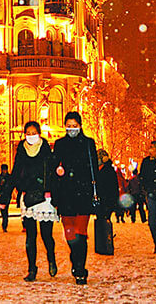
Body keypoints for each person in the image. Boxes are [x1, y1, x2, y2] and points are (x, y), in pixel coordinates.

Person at [2, 120, 58, 282]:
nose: (31, 136)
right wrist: (6, 196)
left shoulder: (46, 149)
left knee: (46, 235)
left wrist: (53, 193)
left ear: (39, 134)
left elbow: (53, 173)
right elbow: (15, 173)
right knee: (30, 236)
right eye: (28, 133)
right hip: (27, 197)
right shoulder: (21, 150)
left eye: (34, 133)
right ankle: (32, 269)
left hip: (44, 198)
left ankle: (51, 259)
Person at [53, 111, 99, 285]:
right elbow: (54, 168)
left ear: (80, 126)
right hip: (65, 195)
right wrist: (58, 172)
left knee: (81, 232)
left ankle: (80, 269)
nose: (72, 129)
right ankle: (76, 259)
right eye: (69, 125)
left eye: (75, 125)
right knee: (70, 234)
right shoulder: (59, 144)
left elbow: (94, 169)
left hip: (83, 194)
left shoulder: (88, 144)